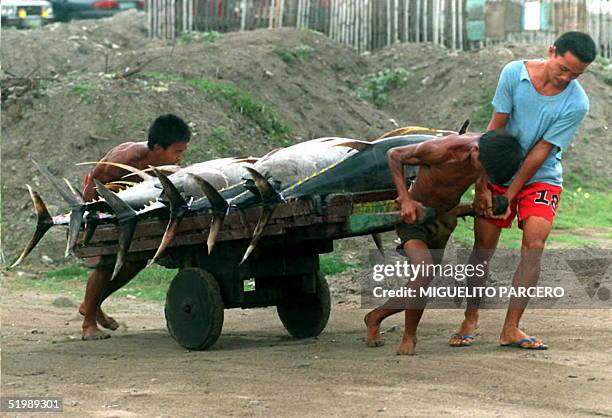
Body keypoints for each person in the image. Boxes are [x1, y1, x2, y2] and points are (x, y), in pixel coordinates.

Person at [450, 31, 596, 350]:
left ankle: (511, 327)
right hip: (499, 168)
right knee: (482, 249)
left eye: (576, 74)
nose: (566, 78)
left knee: (535, 244)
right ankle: (470, 317)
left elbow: (542, 150)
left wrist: (511, 195)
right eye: (563, 68)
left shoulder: (577, 102)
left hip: (540, 176)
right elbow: (494, 130)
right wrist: (483, 186)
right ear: (551, 51)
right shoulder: (514, 74)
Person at [364, 130, 523, 355]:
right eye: (483, 168)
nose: (483, 172)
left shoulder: (488, 151)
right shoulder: (441, 151)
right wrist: (405, 199)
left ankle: (376, 317)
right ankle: (409, 337)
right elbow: (394, 154)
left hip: (444, 218)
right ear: (474, 150)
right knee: (424, 271)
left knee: (422, 281)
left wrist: (482, 190)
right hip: (414, 216)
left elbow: (485, 168)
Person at [80, 114, 191, 340]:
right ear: (158, 148)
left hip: (127, 210)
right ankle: (88, 323)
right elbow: (92, 190)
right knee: (106, 261)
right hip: (98, 208)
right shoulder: (124, 160)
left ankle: (92, 305)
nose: (180, 158)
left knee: (137, 260)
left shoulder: (161, 162)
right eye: (177, 152)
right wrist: (95, 225)